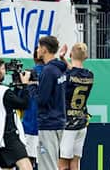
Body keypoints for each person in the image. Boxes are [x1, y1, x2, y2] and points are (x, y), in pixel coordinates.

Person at [0, 57, 34, 170]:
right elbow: (24, 104)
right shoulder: (3, 91)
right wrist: (25, 85)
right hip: (8, 135)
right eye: (3, 69)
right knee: (27, 167)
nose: (5, 72)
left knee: (7, 168)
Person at [37, 36, 69, 170]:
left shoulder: (48, 71)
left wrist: (31, 87)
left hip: (48, 123)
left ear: (44, 50)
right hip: (58, 121)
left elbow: (42, 100)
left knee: (47, 165)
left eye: (39, 47)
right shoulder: (60, 69)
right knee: (53, 163)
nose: (37, 50)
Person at [60, 43, 93, 170]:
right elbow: (75, 73)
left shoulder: (66, 76)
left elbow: (71, 74)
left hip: (68, 124)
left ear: (71, 54)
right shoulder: (90, 75)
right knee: (75, 163)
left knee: (62, 164)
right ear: (85, 57)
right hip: (81, 122)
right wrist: (65, 60)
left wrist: (63, 59)